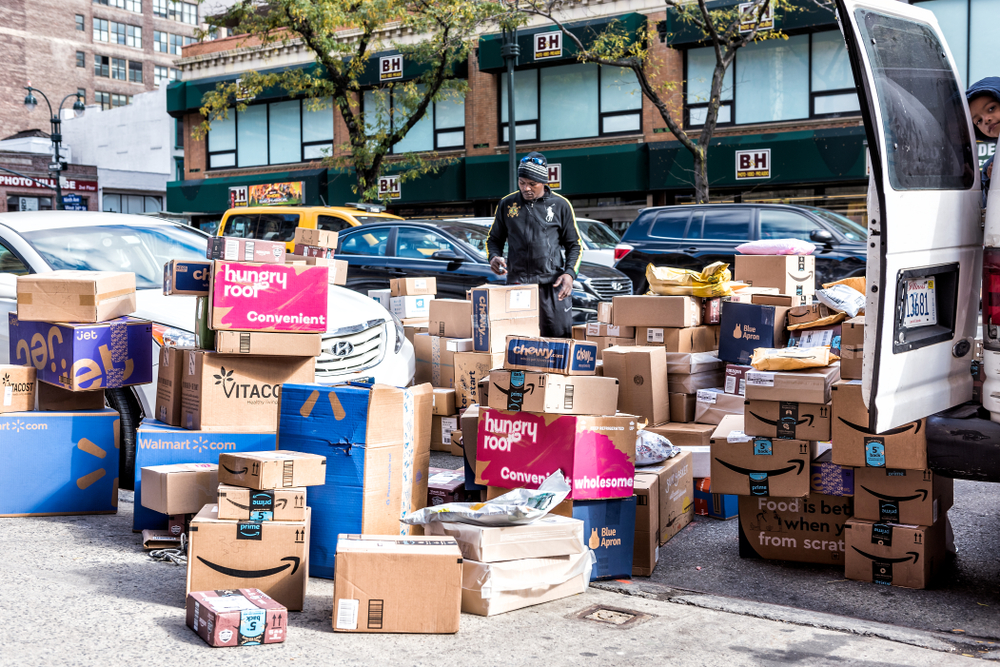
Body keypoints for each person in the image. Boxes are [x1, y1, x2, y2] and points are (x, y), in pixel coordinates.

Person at [486, 152, 583, 338]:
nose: (526, 188)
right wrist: (493, 256)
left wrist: (569, 273)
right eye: (522, 182)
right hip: (518, 285)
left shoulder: (561, 205)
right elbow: (493, 239)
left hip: (552, 286)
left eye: (532, 184)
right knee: (519, 342)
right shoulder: (507, 204)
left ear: (544, 182)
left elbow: (575, 245)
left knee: (558, 341)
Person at [967, 77, 1000, 201]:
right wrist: (993, 182)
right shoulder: (990, 167)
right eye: (978, 121)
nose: (986, 119)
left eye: (992, 108)